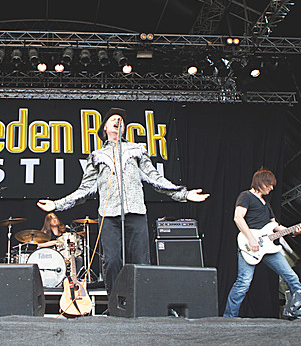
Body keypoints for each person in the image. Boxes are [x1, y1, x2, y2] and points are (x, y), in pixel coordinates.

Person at [36, 107, 209, 295]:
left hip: (135, 212)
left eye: (122, 120)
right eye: (114, 120)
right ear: (105, 129)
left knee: (141, 261)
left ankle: (141, 303)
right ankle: (115, 302)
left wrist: (183, 194)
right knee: (111, 261)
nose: (119, 121)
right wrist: (57, 204)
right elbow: (84, 190)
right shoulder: (97, 156)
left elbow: (155, 178)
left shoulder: (136, 150)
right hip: (108, 216)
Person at [223, 168, 301, 317]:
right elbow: (238, 218)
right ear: (261, 182)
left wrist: (293, 230)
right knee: (243, 283)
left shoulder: (266, 203)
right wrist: (251, 239)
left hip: (269, 247)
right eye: (270, 184)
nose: (272, 188)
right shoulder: (246, 196)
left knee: (291, 277)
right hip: (250, 245)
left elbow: (275, 225)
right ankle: (229, 318)